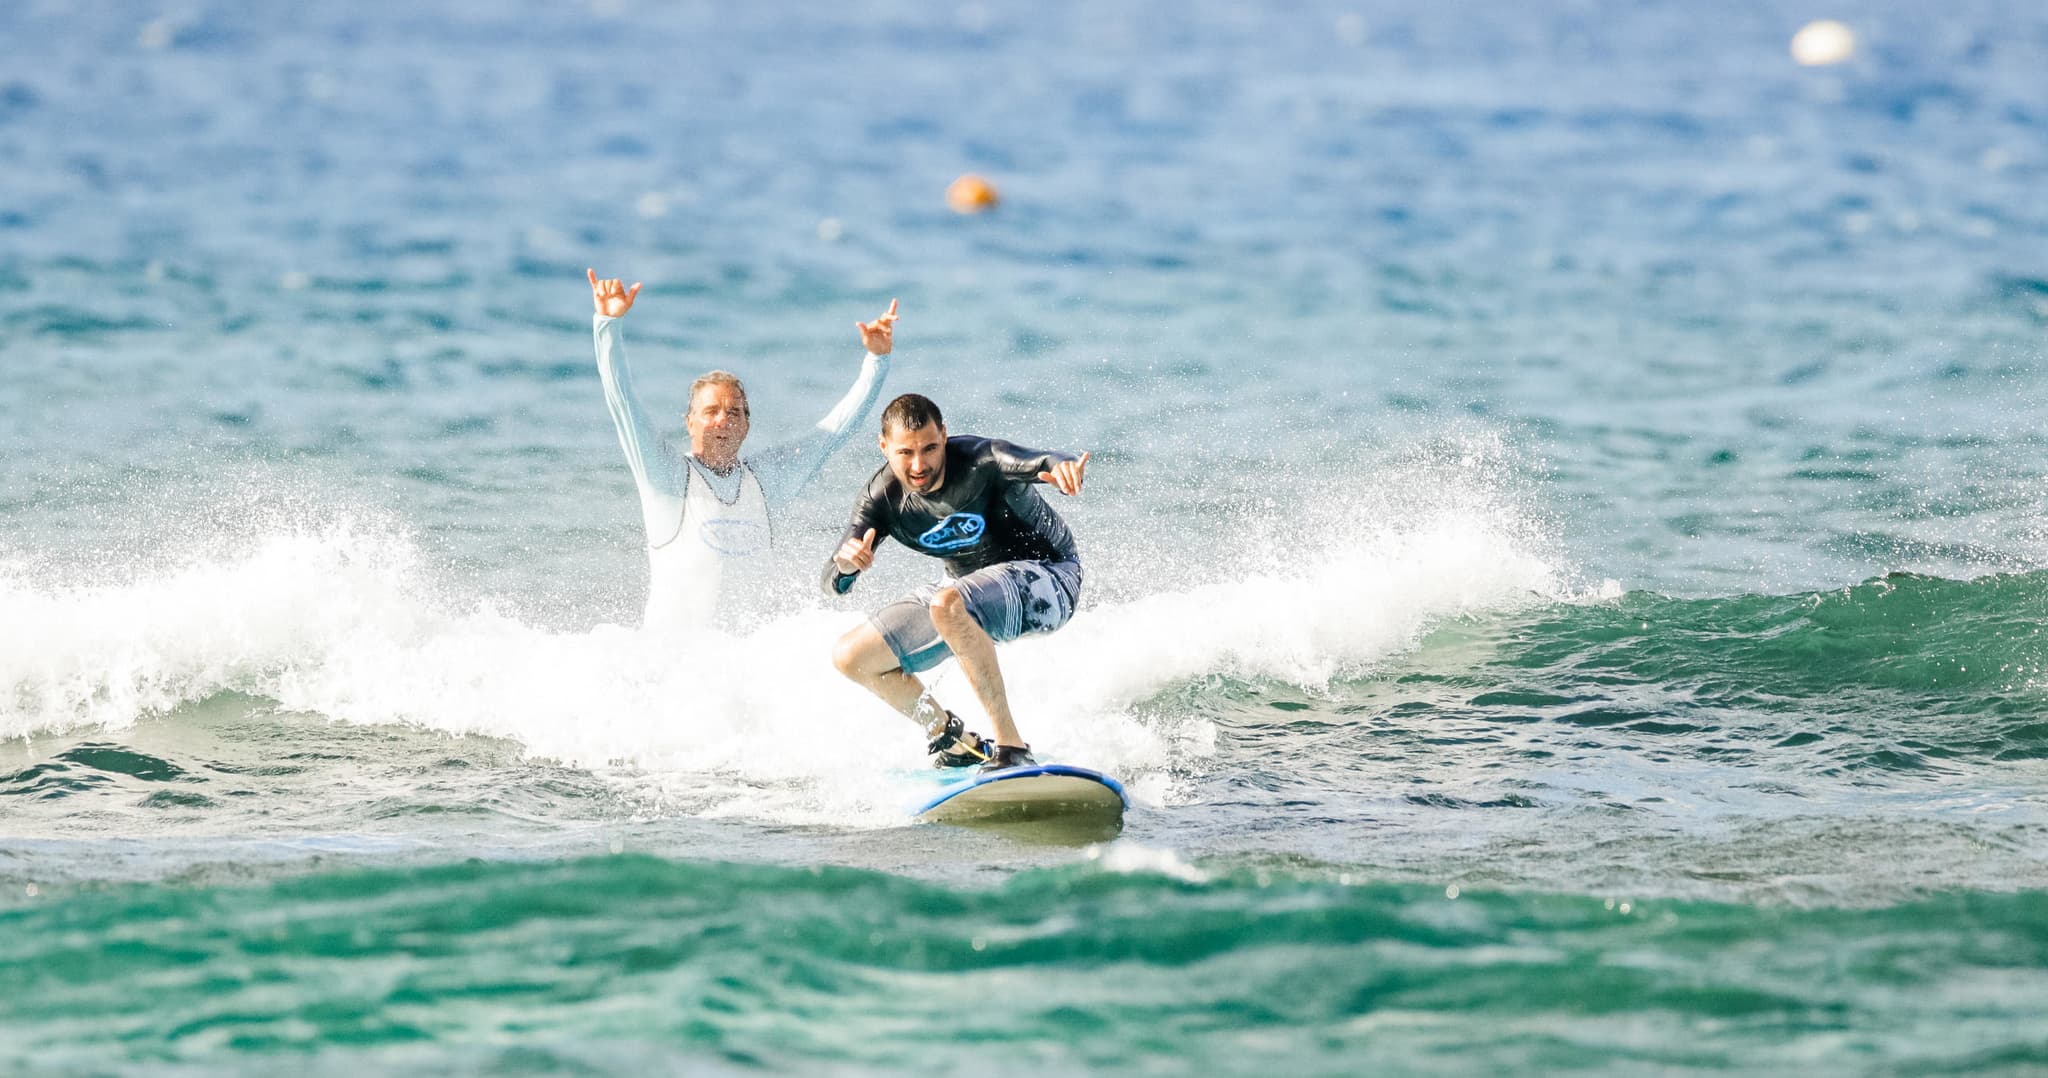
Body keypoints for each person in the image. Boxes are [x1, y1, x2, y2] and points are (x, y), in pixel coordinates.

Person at [587, 269, 898, 630]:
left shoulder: (765, 481)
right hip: (670, 668)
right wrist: (607, 324)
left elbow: (834, 432)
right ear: (689, 422)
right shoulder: (667, 476)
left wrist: (876, 362)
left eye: (734, 412)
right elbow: (623, 404)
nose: (724, 420)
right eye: (710, 412)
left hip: (744, 668)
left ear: (747, 425)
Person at [822, 393, 1091, 771]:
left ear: (945, 435)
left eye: (930, 448)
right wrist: (848, 566)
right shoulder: (881, 499)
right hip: (964, 595)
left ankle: (1011, 749)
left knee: (947, 604)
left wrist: (1062, 466)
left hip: (1049, 577)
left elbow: (1041, 459)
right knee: (852, 657)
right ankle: (952, 739)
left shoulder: (982, 460)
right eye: (905, 453)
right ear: (883, 447)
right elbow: (833, 579)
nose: (919, 464)